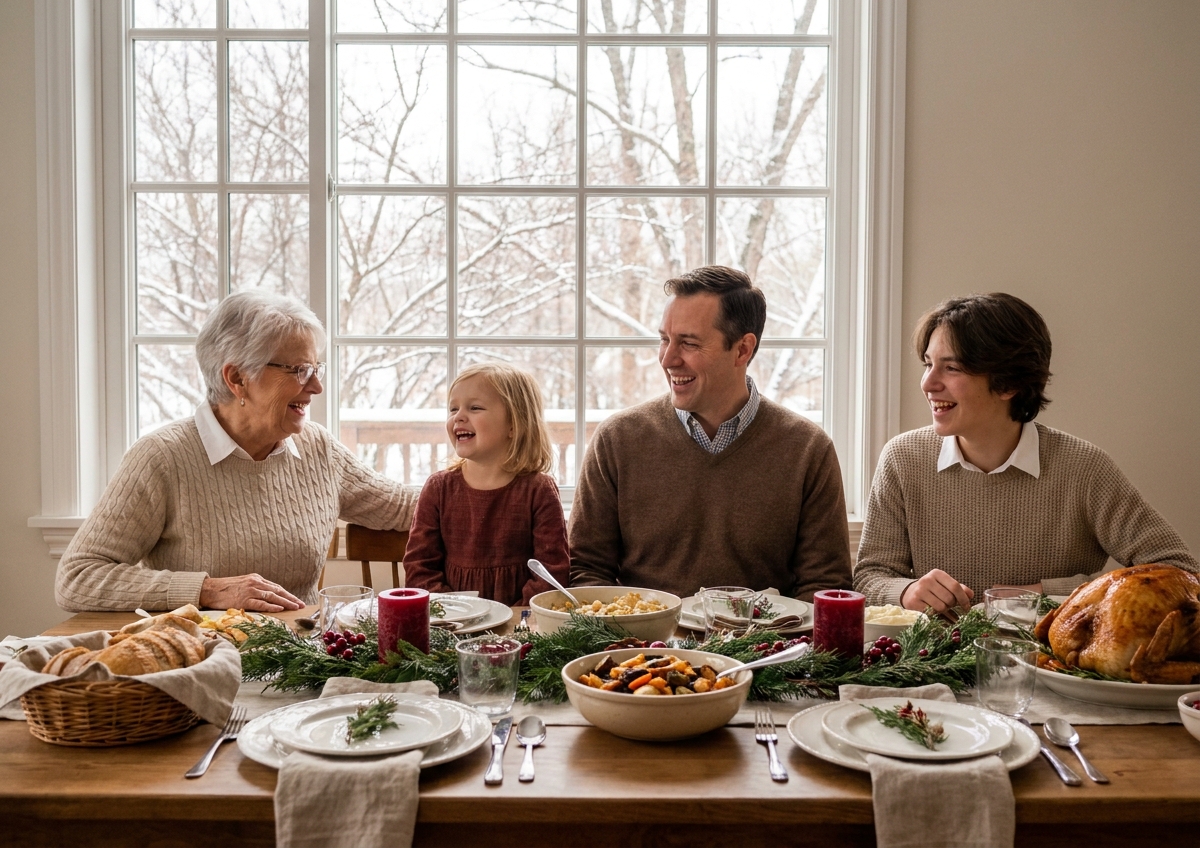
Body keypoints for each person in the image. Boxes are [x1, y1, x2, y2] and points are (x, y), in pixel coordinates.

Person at [55, 291, 418, 613]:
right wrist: (208, 590)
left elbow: (403, 505)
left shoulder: (318, 449)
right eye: (300, 370)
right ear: (237, 378)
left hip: (302, 658)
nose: (317, 386)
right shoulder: (162, 458)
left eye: (316, 368)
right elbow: (78, 577)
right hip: (203, 661)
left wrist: (474, 463)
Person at [853, 293, 1197, 614]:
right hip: (929, 665)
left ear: (1008, 383)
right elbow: (870, 576)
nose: (928, 383)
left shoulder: (1084, 468)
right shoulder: (903, 458)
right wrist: (907, 591)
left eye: (951, 368)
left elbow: (1181, 573)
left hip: (1051, 667)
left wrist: (1046, 595)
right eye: (928, 364)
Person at [568, 266, 852, 601]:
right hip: (644, 650)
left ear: (743, 350)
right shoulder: (617, 440)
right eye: (664, 339)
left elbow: (825, 585)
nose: (668, 359)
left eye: (688, 343)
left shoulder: (808, 449)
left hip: (763, 649)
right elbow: (585, 572)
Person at [403, 363, 570, 605]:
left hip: (520, 629)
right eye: (453, 409)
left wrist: (516, 620)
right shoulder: (438, 488)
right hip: (453, 624)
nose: (458, 416)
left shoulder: (539, 490)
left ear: (514, 425)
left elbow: (551, 573)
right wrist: (455, 611)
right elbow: (419, 568)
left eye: (475, 408)